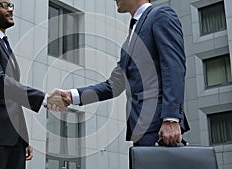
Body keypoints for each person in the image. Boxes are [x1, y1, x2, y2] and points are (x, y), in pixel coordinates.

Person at [51, 0, 190, 154]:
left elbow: (174, 67)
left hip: (160, 127)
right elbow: (114, 85)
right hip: (141, 128)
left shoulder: (161, 15)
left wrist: (171, 118)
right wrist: (71, 96)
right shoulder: (128, 41)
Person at [0, 0, 69, 169]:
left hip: (13, 141)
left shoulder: (4, 45)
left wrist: (23, 138)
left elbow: (12, 99)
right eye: (4, 5)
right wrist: (43, 97)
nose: (11, 10)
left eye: (11, 5)